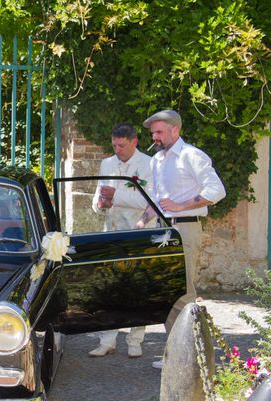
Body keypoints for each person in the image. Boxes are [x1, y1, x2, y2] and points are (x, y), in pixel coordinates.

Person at [136, 109, 226, 368]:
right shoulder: (157, 160)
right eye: (153, 132)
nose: (154, 136)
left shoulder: (192, 156)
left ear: (175, 130)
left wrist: (180, 206)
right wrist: (143, 221)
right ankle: (177, 354)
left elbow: (217, 190)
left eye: (159, 131)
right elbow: (156, 198)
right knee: (167, 293)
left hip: (186, 229)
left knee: (183, 292)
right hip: (164, 231)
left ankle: (193, 358)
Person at [89, 123, 153, 358]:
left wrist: (116, 197)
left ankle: (135, 340)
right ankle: (107, 339)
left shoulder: (148, 164)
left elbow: (148, 202)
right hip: (112, 233)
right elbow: (98, 196)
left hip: (139, 233)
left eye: (122, 145)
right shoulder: (106, 163)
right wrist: (99, 204)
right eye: (114, 145)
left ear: (134, 142)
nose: (117, 150)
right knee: (110, 287)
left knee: (137, 289)